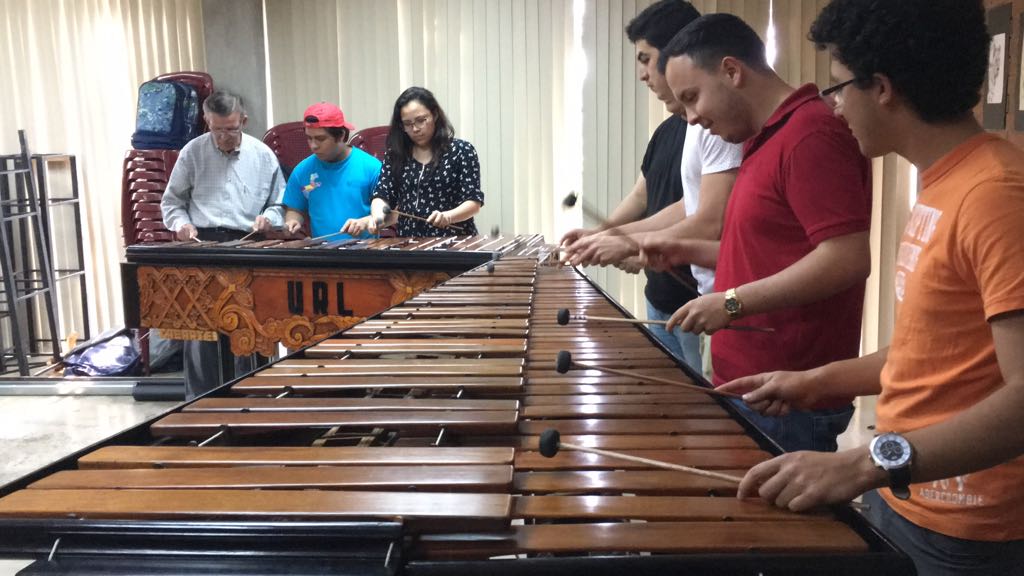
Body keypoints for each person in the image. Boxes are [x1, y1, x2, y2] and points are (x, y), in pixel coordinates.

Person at [717, 1, 1024, 573]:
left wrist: (863, 465)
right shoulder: (943, 185)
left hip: (965, 529)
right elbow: (932, 356)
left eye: (838, 88)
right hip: (908, 494)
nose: (833, 108)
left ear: (881, 87)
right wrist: (814, 381)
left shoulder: (996, 196)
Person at [641, 13, 872, 453]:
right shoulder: (763, 137)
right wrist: (681, 248)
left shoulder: (811, 134)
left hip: (788, 398)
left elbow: (846, 258)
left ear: (732, 71)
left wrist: (731, 303)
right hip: (751, 385)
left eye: (692, 97)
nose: (690, 118)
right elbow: (769, 251)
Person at [561, 0, 741, 371]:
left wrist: (632, 244)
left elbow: (709, 221)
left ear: (676, 51)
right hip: (671, 293)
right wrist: (605, 234)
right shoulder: (676, 128)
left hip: (699, 296)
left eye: (646, 58)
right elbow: (670, 202)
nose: (642, 73)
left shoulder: (719, 126)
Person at [160, 90, 285, 399]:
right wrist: (181, 225)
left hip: (249, 243)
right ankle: (202, 403)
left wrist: (269, 218)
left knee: (253, 327)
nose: (225, 137)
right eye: (217, 130)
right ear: (207, 122)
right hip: (204, 244)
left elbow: (281, 204)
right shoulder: (192, 152)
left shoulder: (262, 154)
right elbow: (172, 203)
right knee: (203, 331)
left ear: (243, 120)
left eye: (232, 130)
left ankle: (256, 401)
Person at [354, 87, 482, 237]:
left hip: (454, 242)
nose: (415, 129)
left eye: (421, 120)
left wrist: (448, 216)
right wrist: (376, 217)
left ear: (434, 115)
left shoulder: (461, 151)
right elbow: (383, 195)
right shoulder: (396, 155)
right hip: (409, 243)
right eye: (407, 124)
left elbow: (473, 202)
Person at [282, 102, 381, 240]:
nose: (313, 146)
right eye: (309, 138)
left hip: (364, 254)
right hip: (323, 255)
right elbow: (295, 209)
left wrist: (365, 222)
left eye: (320, 139)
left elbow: (390, 213)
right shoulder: (302, 171)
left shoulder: (371, 167)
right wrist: (293, 221)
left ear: (341, 135)